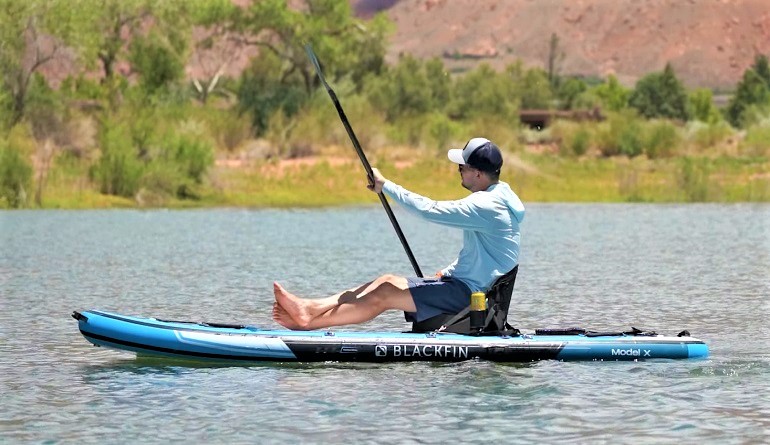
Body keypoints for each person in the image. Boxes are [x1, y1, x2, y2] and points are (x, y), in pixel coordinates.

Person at [272, 137, 525, 331]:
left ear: (478, 173)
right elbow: (481, 256)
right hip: (463, 285)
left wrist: (387, 187)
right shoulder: (498, 196)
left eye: (462, 167)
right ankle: (310, 308)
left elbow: (430, 210)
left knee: (386, 294)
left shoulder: (487, 205)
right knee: (386, 281)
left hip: (473, 298)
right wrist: (447, 272)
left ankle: (307, 324)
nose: (458, 170)